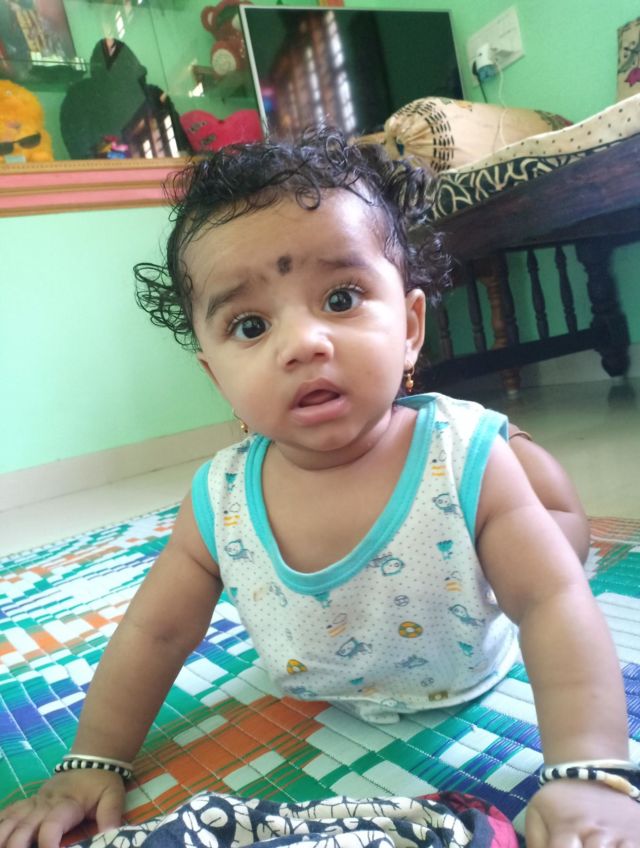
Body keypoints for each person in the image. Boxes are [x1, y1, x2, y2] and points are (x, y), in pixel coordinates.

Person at [0, 128, 637, 848]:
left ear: (410, 328)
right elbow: (155, 632)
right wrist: (92, 760)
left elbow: (552, 603)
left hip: (470, 669)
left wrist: (588, 772)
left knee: (552, 543)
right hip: (320, 693)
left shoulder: (459, 458)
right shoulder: (221, 499)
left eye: (341, 297)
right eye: (249, 325)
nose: (303, 343)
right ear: (216, 376)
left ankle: (536, 476)